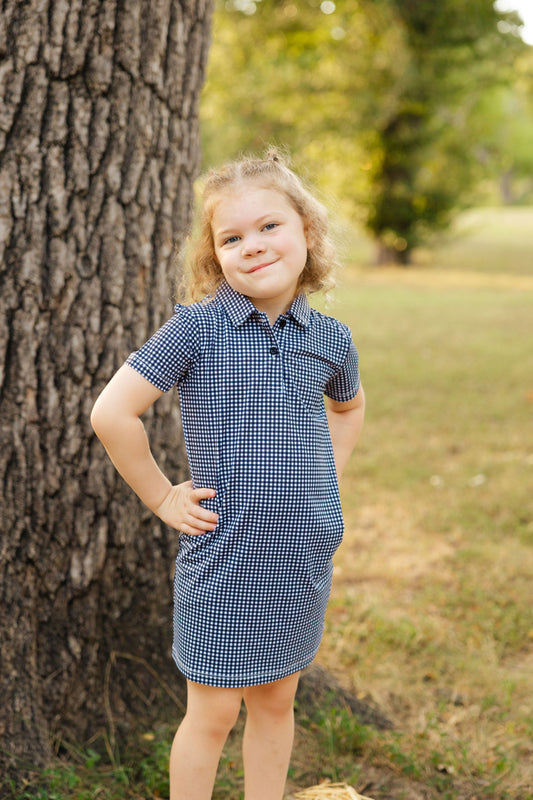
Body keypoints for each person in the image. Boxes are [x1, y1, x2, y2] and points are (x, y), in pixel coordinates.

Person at [90, 150, 365, 800]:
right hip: (224, 557)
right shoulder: (197, 330)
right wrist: (161, 496)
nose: (253, 246)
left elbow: (348, 409)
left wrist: (324, 479)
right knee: (212, 712)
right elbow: (112, 412)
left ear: (306, 232)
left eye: (269, 226)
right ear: (215, 257)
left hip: (299, 558)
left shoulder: (330, 338)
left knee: (275, 701)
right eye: (232, 237)